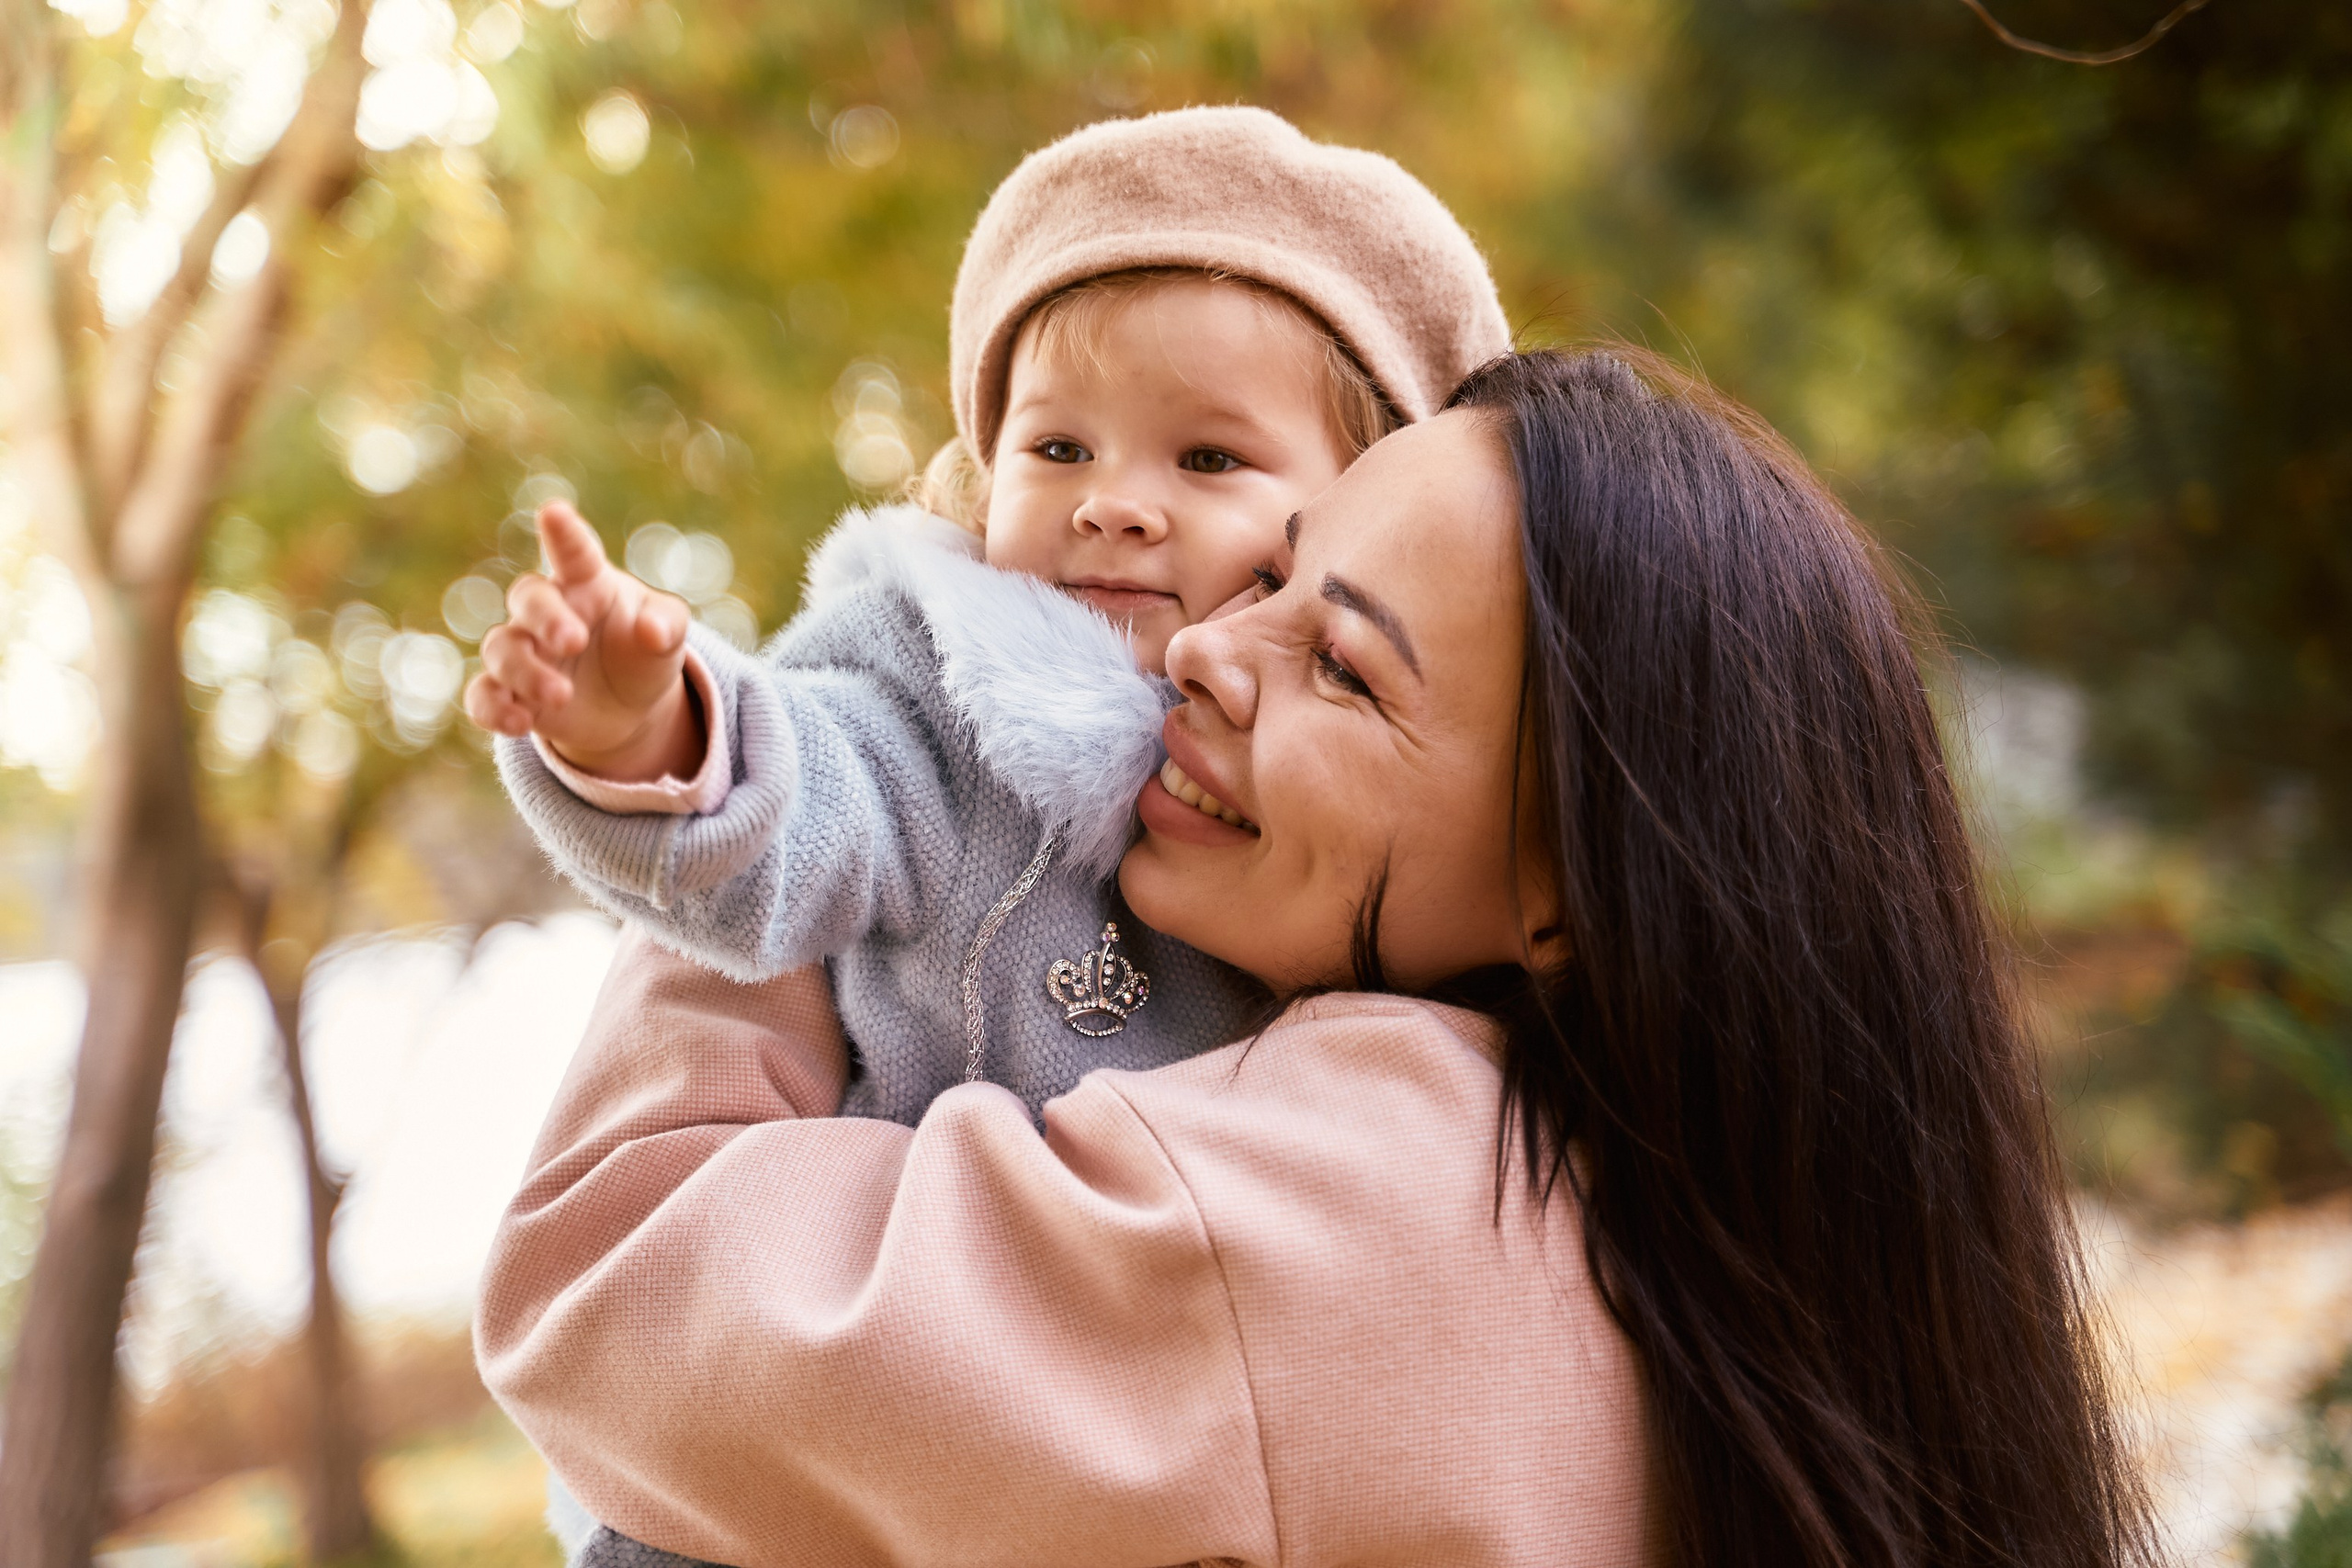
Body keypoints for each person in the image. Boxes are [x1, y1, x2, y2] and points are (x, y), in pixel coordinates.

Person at [478, 347, 2155, 1568]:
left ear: (1575, 884)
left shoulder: (1358, 1201)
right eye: (1278, 576)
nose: (1201, 644)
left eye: (1343, 664)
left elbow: (599, 1289)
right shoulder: (1690, 1215)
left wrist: (813, 783)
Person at [462, 106, 1510, 1124]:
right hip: (945, 1259)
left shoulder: (1425, 794)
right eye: (1059, 450)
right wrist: (654, 732)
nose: (1109, 502)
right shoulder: (937, 685)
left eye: (1206, 458)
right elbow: (812, 794)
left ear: (1365, 501)